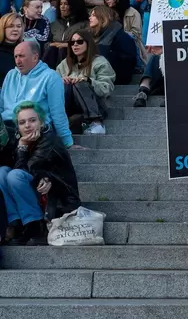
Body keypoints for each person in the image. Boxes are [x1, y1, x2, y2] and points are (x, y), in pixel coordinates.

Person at [0, 101, 80, 246]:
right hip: (38, 189)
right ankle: (16, 224)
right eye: (22, 122)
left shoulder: (49, 140)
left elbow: (25, 170)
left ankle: (35, 225)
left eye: (32, 120)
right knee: (2, 172)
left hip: (58, 197)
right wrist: (21, 145)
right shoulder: (20, 139)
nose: (27, 125)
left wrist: (22, 148)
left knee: (14, 175)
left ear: (41, 122)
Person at [1, 41, 73, 149]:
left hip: (34, 131)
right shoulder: (11, 75)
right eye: (15, 56)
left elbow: (58, 113)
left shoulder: (51, 77)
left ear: (35, 57)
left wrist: (67, 142)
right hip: (6, 128)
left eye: (21, 56)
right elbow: (1, 107)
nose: (17, 61)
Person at [57, 30, 115, 135]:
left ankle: (96, 123)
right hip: (71, 106)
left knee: (81, 84)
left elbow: (106, 89)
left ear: (88, 43)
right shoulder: (64, 64)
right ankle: (58, 123)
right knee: (65, 85)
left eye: (79, 42)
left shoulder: (100, 62)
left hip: (96, 105)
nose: (75, 45)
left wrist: (88, 80)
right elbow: (51, 87)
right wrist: (60, 81)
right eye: (72, 42)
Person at [88, 5, 136, 85]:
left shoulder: (120, 35)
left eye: (93, 15)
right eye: (90, 15)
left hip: (119, 74)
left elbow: (129, 60)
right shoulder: (95, 34)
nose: (90, 18)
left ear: (103, 18)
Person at [104, 0, 145, 64]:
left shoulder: (133, 13)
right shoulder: (106, 14)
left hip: (130, 45)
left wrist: (118, 36)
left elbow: (136, 34)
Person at [0, 12, 23, 83]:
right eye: (11, 26)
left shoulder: (27, 49)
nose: (15, 29)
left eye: (18, 26)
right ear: (3, 28)